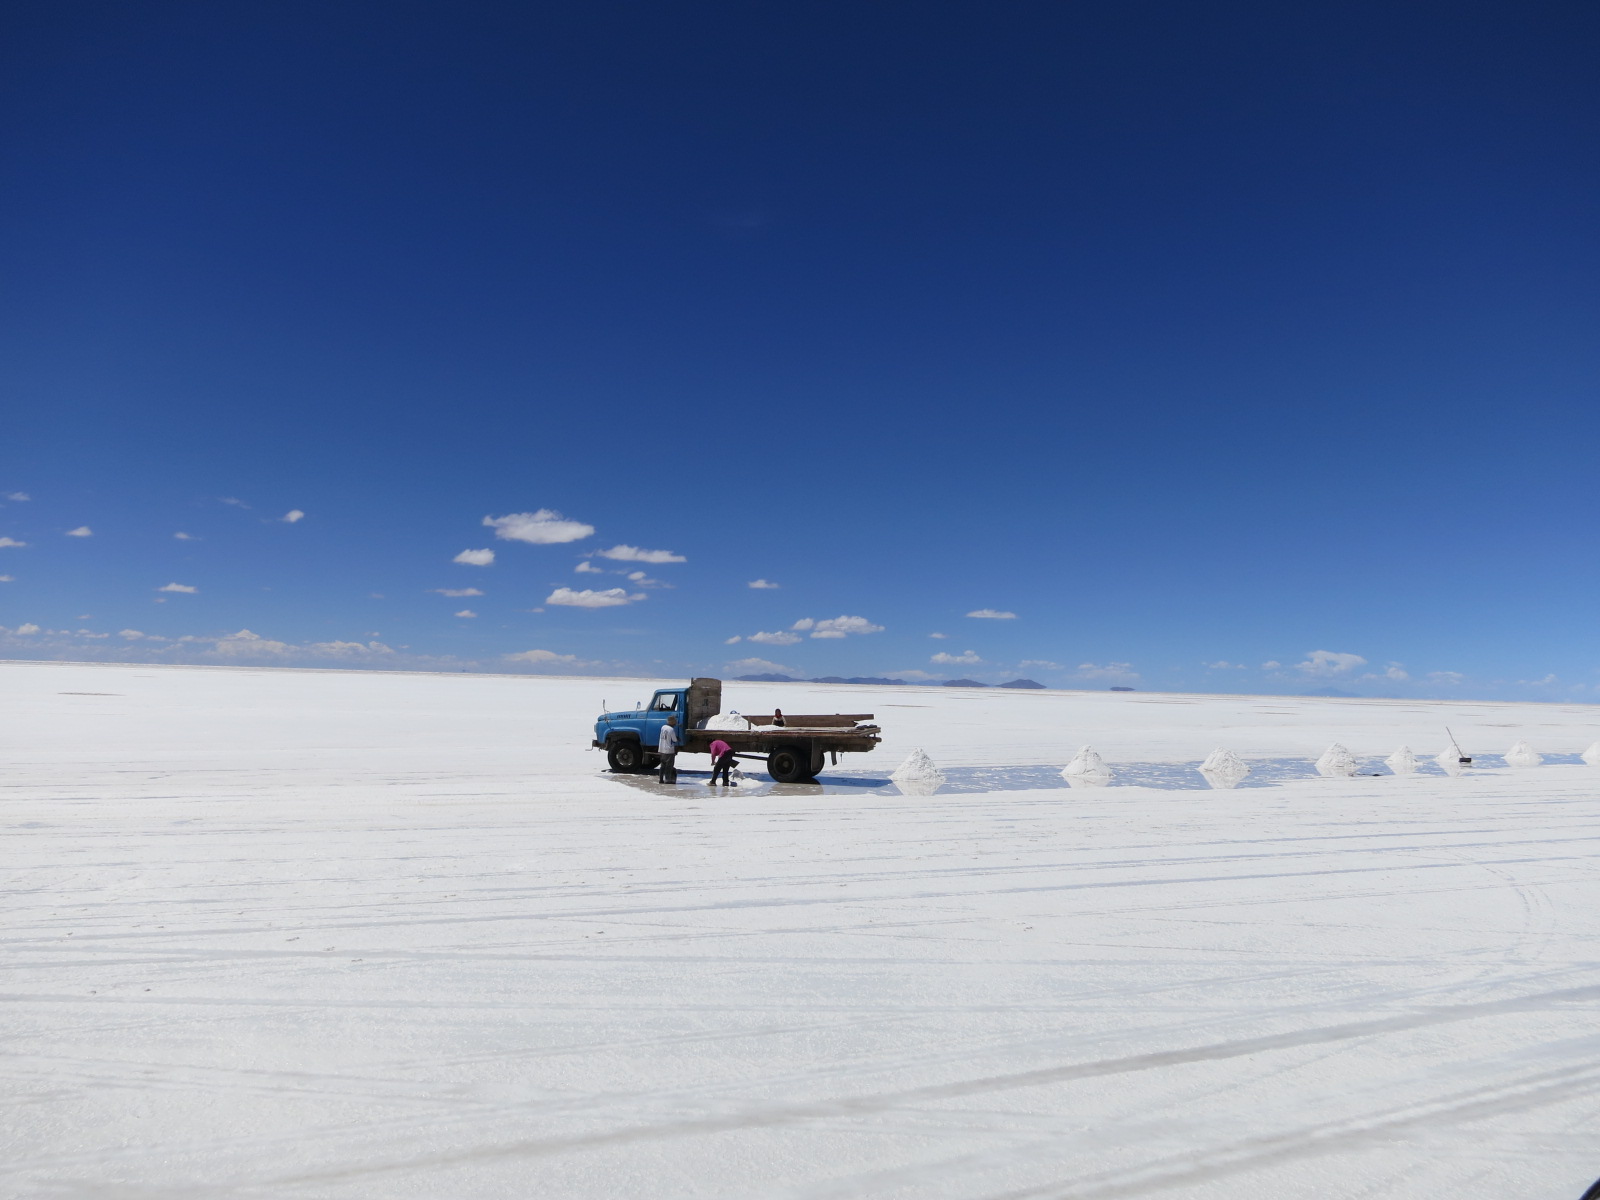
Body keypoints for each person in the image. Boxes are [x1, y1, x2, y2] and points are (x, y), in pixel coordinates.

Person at [657, 716, 679, 783]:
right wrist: (678, 738)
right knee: (669, 766)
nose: (675, 724)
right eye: (674, 722)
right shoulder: (671, 730)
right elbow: (674, 740)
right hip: (669, 750)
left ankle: (661, 779)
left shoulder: (663, 727)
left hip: (662, 749)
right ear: (672, 722)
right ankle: (668, 779)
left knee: (662, 765)